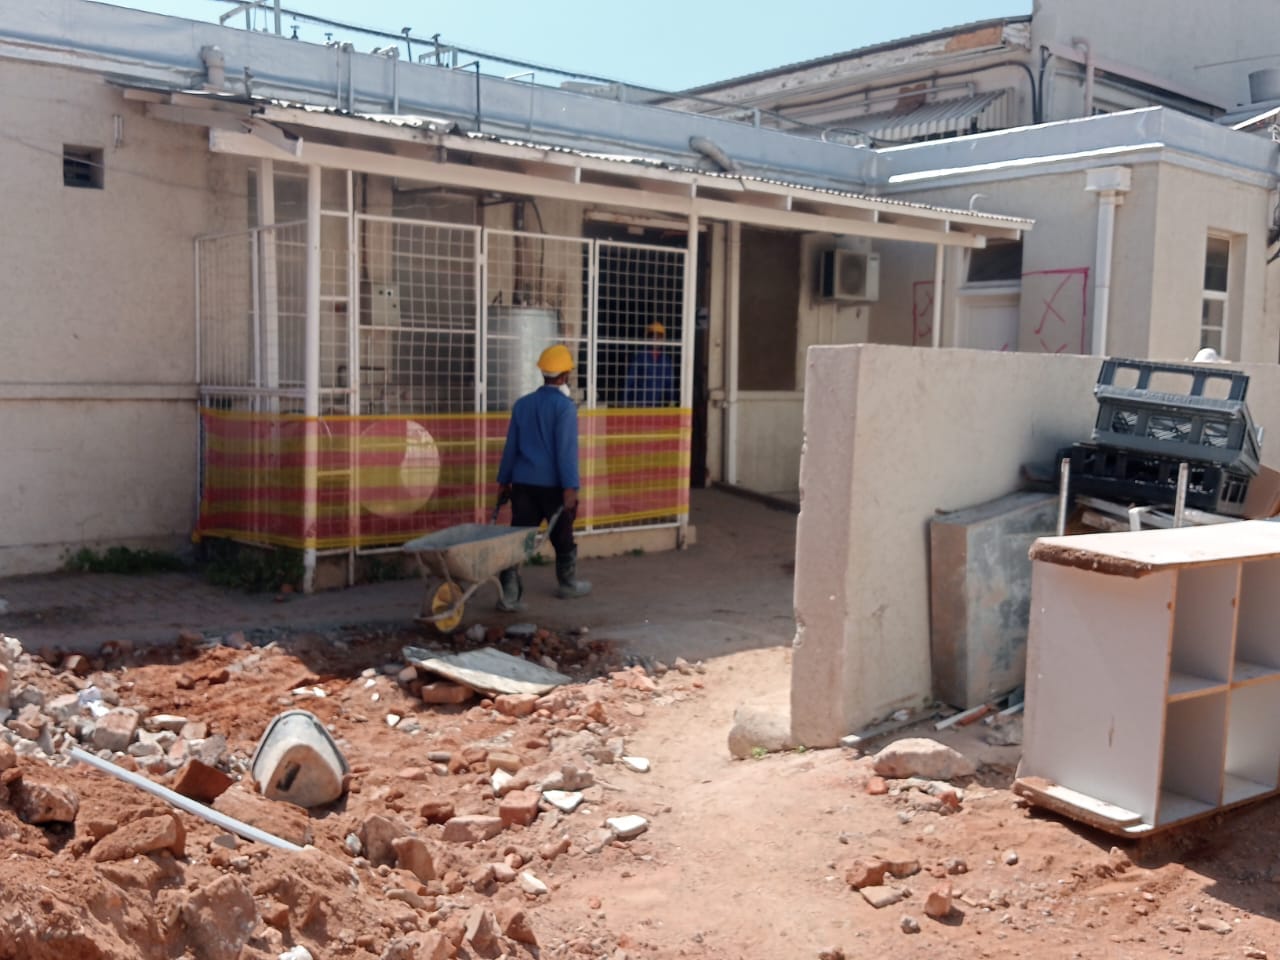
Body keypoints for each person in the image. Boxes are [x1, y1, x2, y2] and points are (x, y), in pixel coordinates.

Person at [494, 343, 592, 610]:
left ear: (543, 374)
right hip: (553, 486)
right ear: (564, 376)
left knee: (519, 537)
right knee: (562, 534)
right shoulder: (564, 408)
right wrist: (570, 487)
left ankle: (510, 595)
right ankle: (567, 584)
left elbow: (511, 445)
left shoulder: (523, 405)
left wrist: (503, 481)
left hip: (523, 484)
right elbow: (565, 451)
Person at [622, 321, 677, 407]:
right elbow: (630, 380)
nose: (656, 339)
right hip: (639, 404)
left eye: (659, 337)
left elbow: (669, 383)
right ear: (648, 338)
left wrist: (672, 400)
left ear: (663, 339)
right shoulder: (640, 357)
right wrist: (625, 402)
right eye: (653, 336)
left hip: (659, 404)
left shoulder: (666, 360)